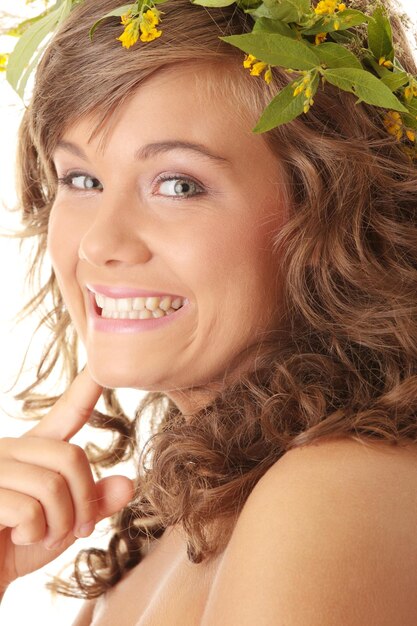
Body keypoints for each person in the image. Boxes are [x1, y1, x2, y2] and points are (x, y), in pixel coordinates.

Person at [1, 0, 417, 623]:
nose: (99, 244)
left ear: (332, 213)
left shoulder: (332, 491)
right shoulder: (164, 526)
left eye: (178, 184)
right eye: (82, 180)